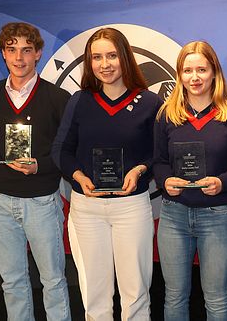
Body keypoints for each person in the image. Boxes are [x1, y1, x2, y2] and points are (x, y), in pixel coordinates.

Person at [52, 27, 162, 321]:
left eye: (112, 55)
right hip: (87, 208)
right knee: (94, 295)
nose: (105, 64)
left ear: (125, 57)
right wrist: (78, 175)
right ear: (89, 62)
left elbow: (160, 155)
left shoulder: (150, 103)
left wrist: (141, 169)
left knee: (136, 292)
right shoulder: (79, 101)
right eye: (97, 57)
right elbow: (60, 151)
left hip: (131, 207)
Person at [153, 41, 227, 320]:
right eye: (187, 70)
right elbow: (158, 161)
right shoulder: (166, 114)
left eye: (201, 70)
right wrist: (164, 180)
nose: (194, 77)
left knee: (217, 299)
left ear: (214, 72)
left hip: (217, 215)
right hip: (174, 215)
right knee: (174, 296)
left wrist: (222, 182)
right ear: (179, 75)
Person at [0, 22, 71, 321]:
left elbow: (68, 152)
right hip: (0, 202)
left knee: (54, 280)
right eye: (11, 50)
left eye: (26, 50)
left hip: (42, 202)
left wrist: (40, 165)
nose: (19, 57)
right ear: (3, 54)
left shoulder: (58, 98)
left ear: (38, 54)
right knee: (13, 282)